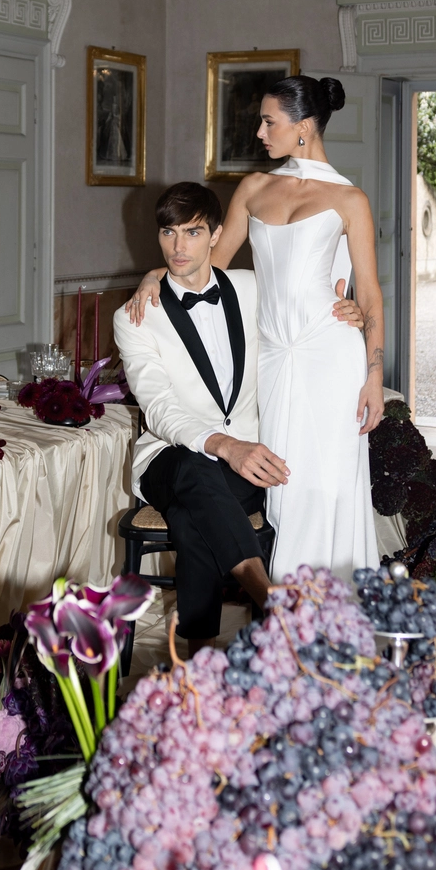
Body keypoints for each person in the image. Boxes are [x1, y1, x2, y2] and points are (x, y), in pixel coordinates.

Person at [126, 75, 384, 582]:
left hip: (330, 354)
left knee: (328, 484)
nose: (261, 133)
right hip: (272, 356)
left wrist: (374, 375)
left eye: (269, 122)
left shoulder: (350, 199)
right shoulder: (253, 188)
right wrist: (152, 274)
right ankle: (283, 607)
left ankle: (329, 607)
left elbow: (370, 294)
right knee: (284, 483)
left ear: (303, 127)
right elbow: (207, 269)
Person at [113, 179, 362, 650]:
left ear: (217, 233)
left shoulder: (250, 288)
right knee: (191, 470)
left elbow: (306, 308)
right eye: (168, 233)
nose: (178, 246)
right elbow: (159, 406)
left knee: (192, 516)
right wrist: (225, 445)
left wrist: (350, 311)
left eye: (191, 232)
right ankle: (268, 598)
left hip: (244, 461)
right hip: (170, 458)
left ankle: (199, 652)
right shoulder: (134, 316)